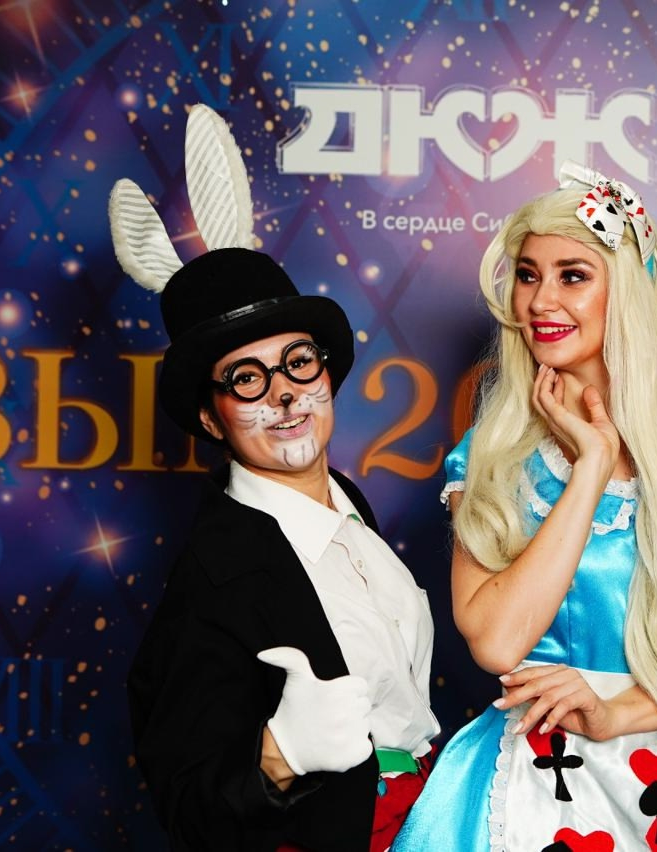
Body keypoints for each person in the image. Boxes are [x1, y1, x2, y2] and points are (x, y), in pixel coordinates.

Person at [393, 163, 657, 851]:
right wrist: (591, 467)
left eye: (572, 275)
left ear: (627, 291)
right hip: (539, 782)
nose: (541, 300)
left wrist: (622, 712)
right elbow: (497, 644)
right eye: (528, 274)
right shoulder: (492, 457)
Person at [113, 105, 438, 850]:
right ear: (210, 416)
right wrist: (278, 757)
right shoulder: (214, 573)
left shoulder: (348, 507)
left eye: (297, 363)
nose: (285, 395)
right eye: (247, 378)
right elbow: (187, 805)